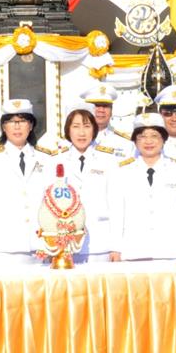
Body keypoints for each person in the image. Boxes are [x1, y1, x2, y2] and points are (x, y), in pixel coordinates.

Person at [0, 99, 57, 265]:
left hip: (40, 245)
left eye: (22, 121)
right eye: (11, 122)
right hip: (3, 247)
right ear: (4, 127)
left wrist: (55, 243)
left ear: (31, 125)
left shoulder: (46, 158)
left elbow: (53, 203)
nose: (17, 126)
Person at [109, 113, 176, 263]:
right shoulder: (121, 172)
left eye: (154, 135)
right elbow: (117, 213)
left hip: (170, 252)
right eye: (142, 136)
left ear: (164, 139)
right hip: (133, 251)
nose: (149, 141)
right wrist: (115, 247)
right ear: (135, 141)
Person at [57, 104, 119, 262]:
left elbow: (116, 203)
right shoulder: (56, 160)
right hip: (66, 244)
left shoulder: (108, 159)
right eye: (76, 126)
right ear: (68, 130)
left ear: (94, 129)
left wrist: (116, 246)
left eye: (87, 126)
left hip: (101, 243)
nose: (82, 133)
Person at [80, 85, 132, 158]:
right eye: (96, 105)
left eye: (106, 106)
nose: (101, 110)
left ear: (111, 111)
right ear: (85, 109)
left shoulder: (126, 143)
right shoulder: (70, 141)